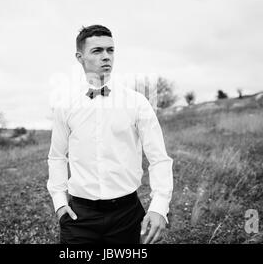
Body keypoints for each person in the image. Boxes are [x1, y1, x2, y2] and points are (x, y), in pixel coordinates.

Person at [47, 24, 173, 244]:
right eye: (97, 51)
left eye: (110, 50)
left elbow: (158, 158)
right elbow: (57, 157)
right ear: (80, 57)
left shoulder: (137, 102)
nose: (106, 56)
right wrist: (59, 202)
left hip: (127, 213)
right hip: (79, 216)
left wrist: (160, 206)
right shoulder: (65, 106)